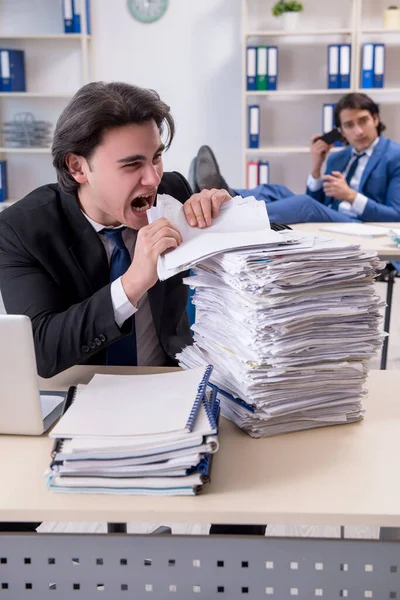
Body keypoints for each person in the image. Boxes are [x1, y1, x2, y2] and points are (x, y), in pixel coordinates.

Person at [0, 81, 231, 379]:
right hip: (77, 389)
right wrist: (131, 284)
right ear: (78, 168)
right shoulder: (20, 230)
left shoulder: (172, 191)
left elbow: (278, 240)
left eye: (156, 157)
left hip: (171, 380)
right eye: (132, 164)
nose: (152, 179)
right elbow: (41, 350)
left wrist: (227, 216)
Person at [191, 93, 400, 224]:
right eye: (349, 125)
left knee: (304, 205)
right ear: (341, 131)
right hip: (333, 219)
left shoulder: (394, 155)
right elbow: (319, 203)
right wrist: (317, 166)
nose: (358, 130)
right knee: (275, 190)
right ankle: (228, 195)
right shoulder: (340, 158)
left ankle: (235, 217)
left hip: (362, 225)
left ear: (375, 118)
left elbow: (395, 214)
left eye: (363, 121)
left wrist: (351, 196)